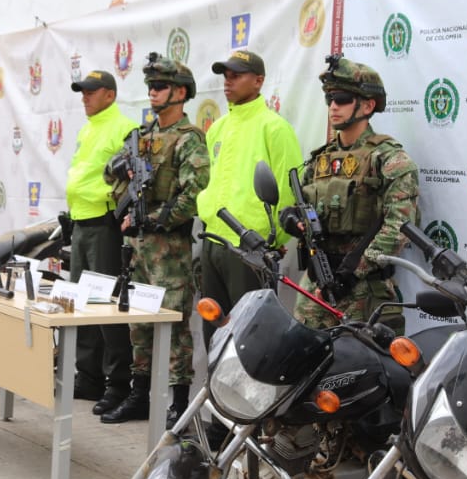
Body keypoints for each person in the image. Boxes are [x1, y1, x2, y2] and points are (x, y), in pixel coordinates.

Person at [99, 55, 210, 426]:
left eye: (160, 86)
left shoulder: (189, 139)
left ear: (181, 93)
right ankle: (139, 394)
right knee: (139, 323)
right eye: (150, 86)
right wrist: (121, 172)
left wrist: (153, 218)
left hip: (169, 248)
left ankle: (179, 402)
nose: (153, 92)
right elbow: (110, 174)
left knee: (174, 325)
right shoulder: (141, 137)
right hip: (138, 246)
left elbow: (195, 192)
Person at [281, 55, 420, 333]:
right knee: (304, 353)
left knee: (361, 356)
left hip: (361, 289)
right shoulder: (320, 160)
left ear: (368, 105)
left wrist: (353, 272)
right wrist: (291, 218)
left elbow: (399, 226)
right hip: (315, 286)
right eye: (329, 98)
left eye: (343, 99)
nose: (333, 106)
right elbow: (303, 206)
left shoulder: (389, 159)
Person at [195, 49, 303, 347]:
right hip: (213, 241)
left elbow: (289, 189)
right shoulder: (217, 128)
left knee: (250, 336)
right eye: (225, 76)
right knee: (214, 333)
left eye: (236, 76)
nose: (228, 82)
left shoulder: (275, 127)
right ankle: (216, 381)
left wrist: (273, 240)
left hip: (250, 247)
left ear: (258, 81)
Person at [67, 69, 138, 406]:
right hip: (81, 222)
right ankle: (88, 377)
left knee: (107, 305)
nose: (85, 97)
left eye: (91, 91)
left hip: (105, 224)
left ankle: (118, 383)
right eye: (82, 92)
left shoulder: (124, 128)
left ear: (110, 94)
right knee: (83, 303)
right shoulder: (87, 128)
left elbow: (131, 179)